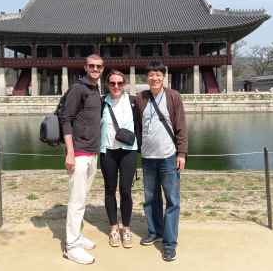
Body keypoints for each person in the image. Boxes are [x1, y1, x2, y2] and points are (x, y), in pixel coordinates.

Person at [135, 61, 188, 262]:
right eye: (151, 75)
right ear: (146, 77)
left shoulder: (173, 96)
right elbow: (139, 126)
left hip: (168, 156)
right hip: (148, 157)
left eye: (158, 75)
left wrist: (181, 153)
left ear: (163, 77)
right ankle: (155, 230)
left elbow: (181, 125)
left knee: (172, 200)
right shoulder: (141, 98)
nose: (154, 78)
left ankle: (169, 243)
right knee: (150, 198)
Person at [60, 54, 104, 265]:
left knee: (83, 197)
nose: (95, 69)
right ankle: (71, 246)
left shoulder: (95, 88)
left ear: (102, 69)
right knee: (76, 201)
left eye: (99, 66)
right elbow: (66, 119)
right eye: (92, 66)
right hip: (78, 153)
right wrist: (70, 151)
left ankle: (77, 236)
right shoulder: (78, 88)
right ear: (86, 67)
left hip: (92, 152)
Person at [99, 70, 138, 248]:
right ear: (107, 84)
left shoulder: (133, 102)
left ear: (125, 84)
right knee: (109, 189)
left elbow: (142, 125)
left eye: (120, 83)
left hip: (128, 151)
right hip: (108, 151)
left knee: (125, 190)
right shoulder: (101, 102)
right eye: (112, 83)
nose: (116, 86)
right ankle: (114, 228)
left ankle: (126, 228)